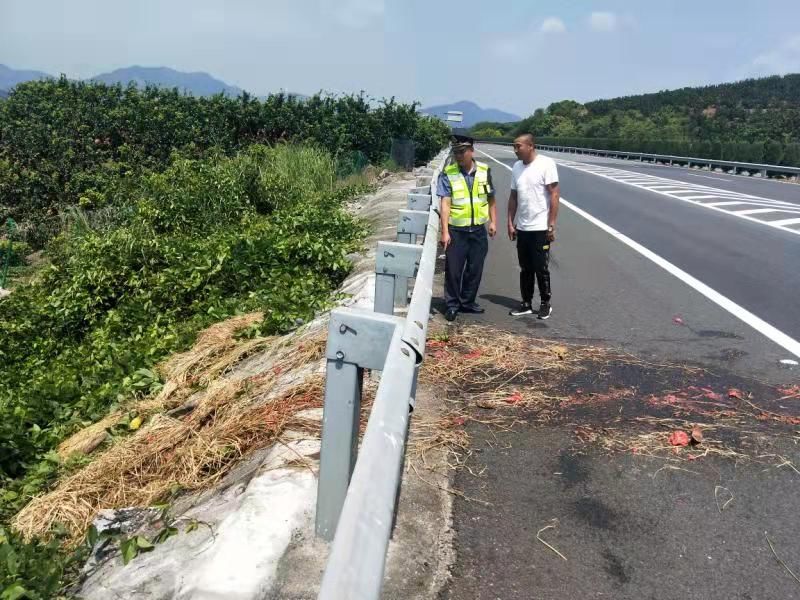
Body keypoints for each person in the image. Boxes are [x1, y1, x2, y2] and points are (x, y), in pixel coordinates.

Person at [438, 135, 497, 322]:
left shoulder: (484, 172)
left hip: (478, 230)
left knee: (475, 269)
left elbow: (491, 199)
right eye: (456, 152)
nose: (458, 155)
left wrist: (493, 222)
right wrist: (445, 231)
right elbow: (445, 204)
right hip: (457, 230)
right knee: (454, 270)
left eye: (462, 152)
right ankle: (452, 305)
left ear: (472, 151)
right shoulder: (448, 173)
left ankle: (467, 302)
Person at [507, 133, 560, 319]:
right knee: (525, 267)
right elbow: (513, 196)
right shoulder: (516, 167)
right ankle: (526, 303)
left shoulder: (546, 164)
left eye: (518, 146)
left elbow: (554, 195)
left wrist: (551, 225)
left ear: (531, 146)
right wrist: (510, 222)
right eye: (514, 146)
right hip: (523, 227)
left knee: (540, 267)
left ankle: (545, 303)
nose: (515, 150)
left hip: (540, 227)